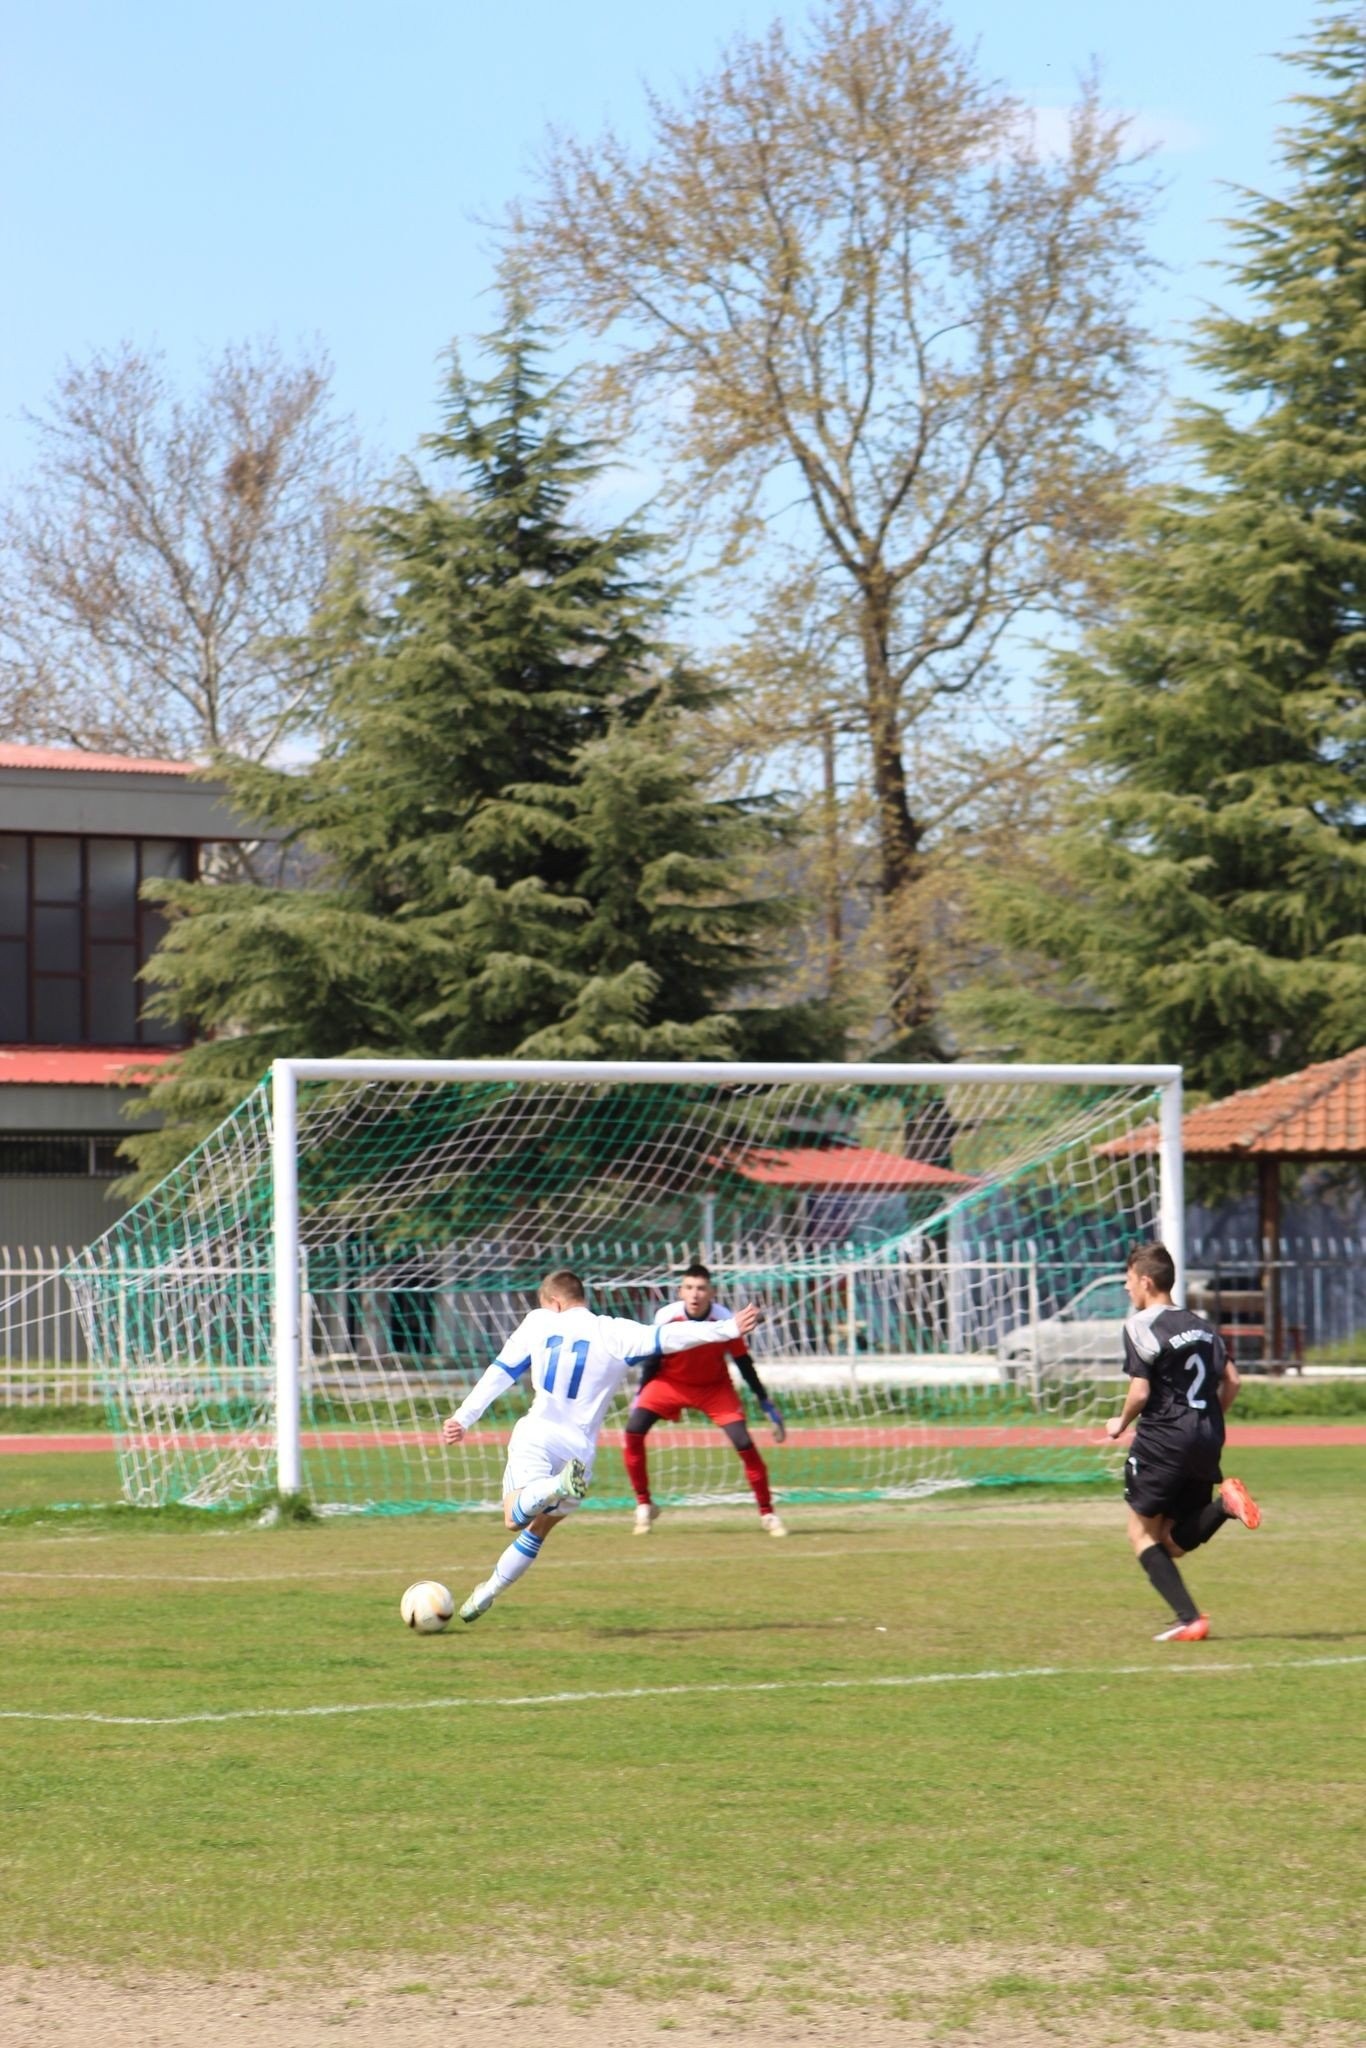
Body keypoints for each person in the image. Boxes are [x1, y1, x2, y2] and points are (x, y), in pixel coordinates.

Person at [440, 1269, 762, 1623]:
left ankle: (552, 1487)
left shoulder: (537, 1322)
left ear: (554, 1302)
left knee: (513, 1517)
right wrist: (727, 1328)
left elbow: (501, 1370)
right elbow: (669, 1336)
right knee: (540, 1528)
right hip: (580, 1451)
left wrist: (463, 1417)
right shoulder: (612, 1331)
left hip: (538, 1434)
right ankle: (487, 1592)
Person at [1105, 1240, 1261, 1641]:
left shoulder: (1141, 1326)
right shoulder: (1203, 1326)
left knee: (1139, 1535)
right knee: (1170, 1543)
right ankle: (1225, 1505)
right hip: (1207, 1437)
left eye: (1128, 1281)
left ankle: (1190, 1619)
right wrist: (1204, 1423)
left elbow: (1140, 1393)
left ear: (1145, 1281)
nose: (1126, 1289)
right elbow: (1234, 1381)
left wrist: (1119, 1424)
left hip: (1163, 1440)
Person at [623, 1262, 788, 1539]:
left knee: (744, 1443)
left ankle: (768, 1513)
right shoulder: (667, 1315)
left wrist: (765, 1401)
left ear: (711, 1292)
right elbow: (653, 1357)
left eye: (701, 1288)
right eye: (689, 1288)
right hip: (669, 1383)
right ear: (680, 1291)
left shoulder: (725, 1319)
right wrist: (641, 1393)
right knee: (632, 1431)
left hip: (714, 1388)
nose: (695, 1294)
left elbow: (743, 1362)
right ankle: (644, 1505)